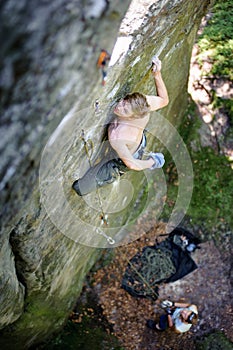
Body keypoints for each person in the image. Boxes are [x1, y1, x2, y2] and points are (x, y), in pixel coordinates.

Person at [72, 56, 169, 196]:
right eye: (124, 102)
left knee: (80, 188)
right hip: (137, 141)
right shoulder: (143, 104)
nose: (119, 106)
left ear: (133, 117)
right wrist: (157, 74)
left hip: (125, 157)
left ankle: (153, 160)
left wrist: (151, 162)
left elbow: (132, 164)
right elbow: (164, 100)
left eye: (125, 110)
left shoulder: (117, 135)